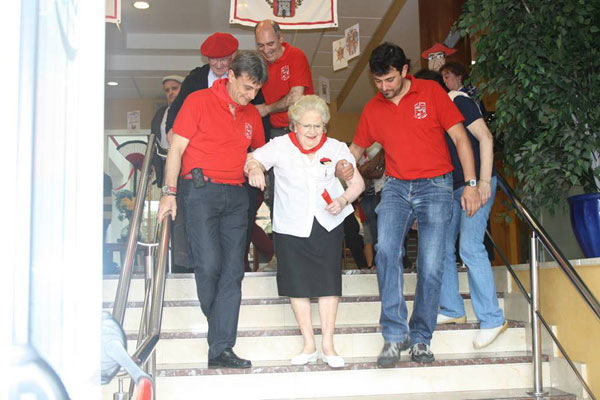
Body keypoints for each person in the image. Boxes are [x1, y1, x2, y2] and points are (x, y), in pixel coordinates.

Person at [349, 42, 481, 365]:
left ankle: (421, 337)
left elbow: (461, 138)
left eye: (390, 80)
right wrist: (336, 169)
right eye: (378, 81)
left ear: (404, 71)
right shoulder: (373, 109)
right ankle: (395, 335)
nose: (384, 87)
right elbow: (353, 151)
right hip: (396, 187)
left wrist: (471, 184)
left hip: (436, 186)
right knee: (385, 251)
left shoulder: (431, 93)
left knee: (431, 264)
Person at [157, 50, 268, 369]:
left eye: (256, 90)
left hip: (237, 196)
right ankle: (218, 326)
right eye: (247, 87)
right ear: (230, 75)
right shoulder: (198, 101)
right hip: (200, 192)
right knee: (207, 266)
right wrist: (169, 193)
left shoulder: (251, 114)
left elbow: (258, 153)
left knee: (233, 271)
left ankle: (221, 347)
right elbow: (176, 149)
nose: (251, 95)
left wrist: (254, 164)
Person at [245, 95, 365, 368]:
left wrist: (343, 200)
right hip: (290, 225)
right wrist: (254, 169)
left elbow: (356, 183)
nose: (312, 132)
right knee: (297, 284)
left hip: (327, 223)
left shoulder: (336, 148)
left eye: (318, 126)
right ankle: (309, 344)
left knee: (328, 283)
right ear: (294, 125)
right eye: (306, 126)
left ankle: (328, 346)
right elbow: (254, 160)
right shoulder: (280, 146)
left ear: (325, 126)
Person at [414, 69, 507, 349]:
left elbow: (485, 138)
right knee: (441, 246)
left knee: (469, 246)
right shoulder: (430, 114)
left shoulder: (457, 100)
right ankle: (453, 308)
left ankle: (492, 318)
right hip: (450, 189)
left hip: (477, 184)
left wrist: (483, 182)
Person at [151, 75, 183, 151]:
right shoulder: (160, 113)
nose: (170, 92)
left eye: (174, 88)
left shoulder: (193, 110)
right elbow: (153, 138)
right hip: (163, 156)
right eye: (167, 90)